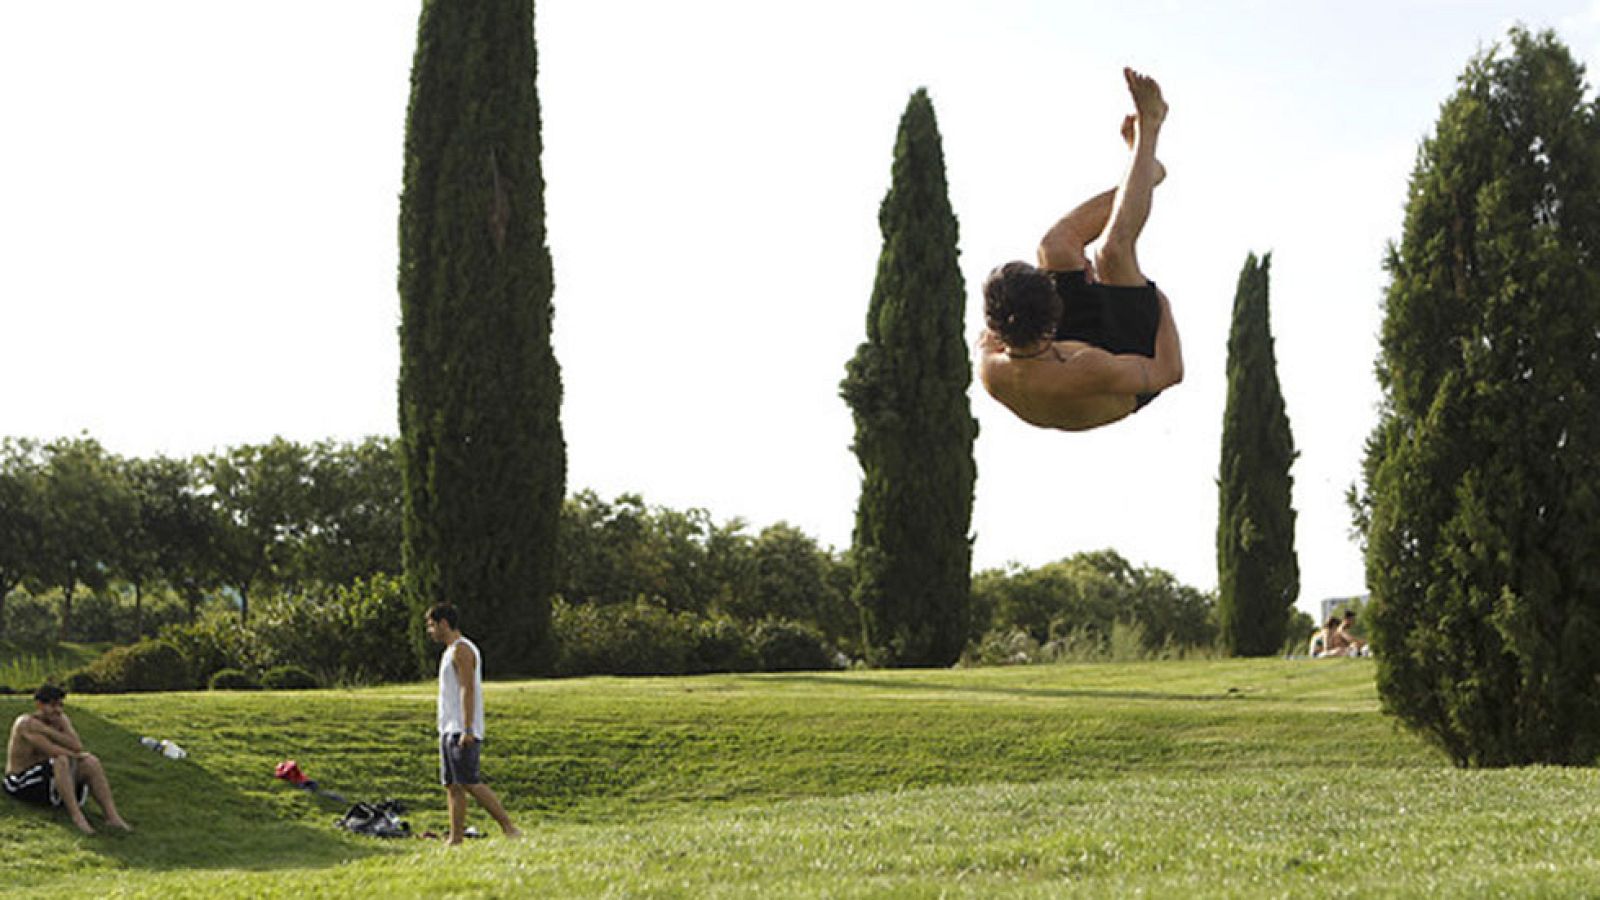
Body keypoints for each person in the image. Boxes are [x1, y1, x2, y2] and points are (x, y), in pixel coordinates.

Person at [978, 67, 1184, 432]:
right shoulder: (1089, 370)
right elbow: (1170, 372)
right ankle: (1150, 128)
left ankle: (1144, 174)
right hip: (1128, 368)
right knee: (1112, 254)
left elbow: (1005, 324)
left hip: (1054, 351)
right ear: (1052, 318)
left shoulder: (990, 360)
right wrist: (1160, 302)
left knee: (1054, 246)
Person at [424, 604, 521, 846]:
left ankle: (510, 828)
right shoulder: (449, 652)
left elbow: (468, 689)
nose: (429, 630)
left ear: (444, 623)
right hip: (448, 728)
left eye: (431, 625)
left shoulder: (462, 650)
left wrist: (467, 729)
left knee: (470, 781)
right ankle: (455, 838)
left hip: (461, 728)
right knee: (452, 785)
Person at [5, 684, 131, 834]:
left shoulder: (60, 719)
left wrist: (48, 729)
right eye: (52, 705)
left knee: (91, 761)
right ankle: (77, 816)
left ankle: (112, 817)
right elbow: (52, 750)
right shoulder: (26, 724)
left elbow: (77, 746)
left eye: (60, 705)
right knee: (61, 759)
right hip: (20, 782)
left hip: (48, 779)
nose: (57, 710)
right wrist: (68, 748)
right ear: (39, 705)